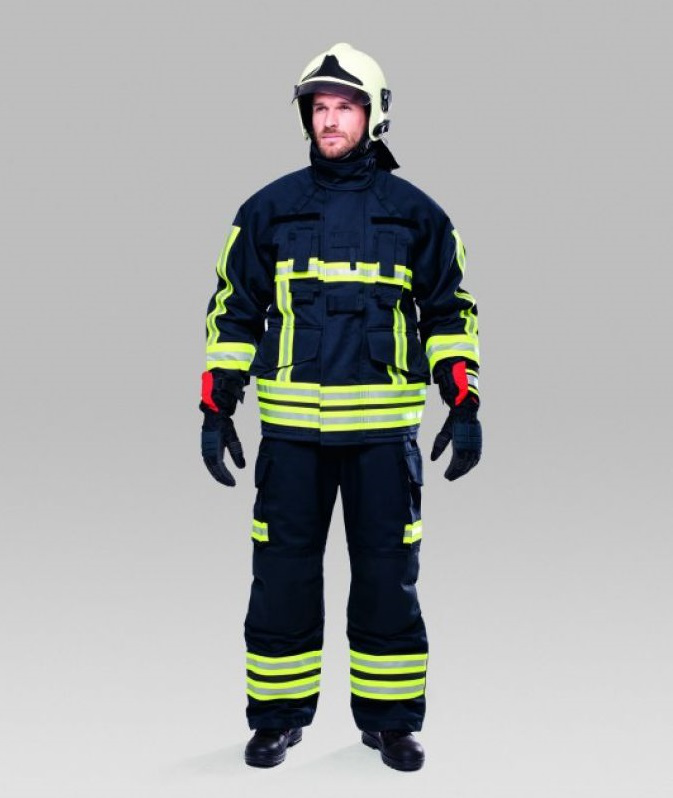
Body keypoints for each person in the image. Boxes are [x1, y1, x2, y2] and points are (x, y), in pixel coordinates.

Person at [199, 42, 482, 772]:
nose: (329, 121)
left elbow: (449, 311)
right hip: (292, 434)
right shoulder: (267, 210)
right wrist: (216, 403)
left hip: (384, 437)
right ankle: (277, 718)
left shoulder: (416, 214)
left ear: (374, 115)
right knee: (281, 578)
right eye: (319, 108)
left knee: (388, 579)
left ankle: (391, 723)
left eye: (344, 108)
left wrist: (463, 399)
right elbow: (234, 310)